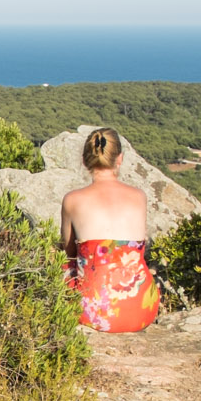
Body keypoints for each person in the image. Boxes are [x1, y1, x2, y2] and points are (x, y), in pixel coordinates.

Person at [60, 127, 159, 332]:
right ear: (119, 159)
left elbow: (68, 253)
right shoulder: (139, 196)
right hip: (141, 309)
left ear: (85, 160)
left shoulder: (72, 200)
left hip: (93, 312)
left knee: (61, 266)